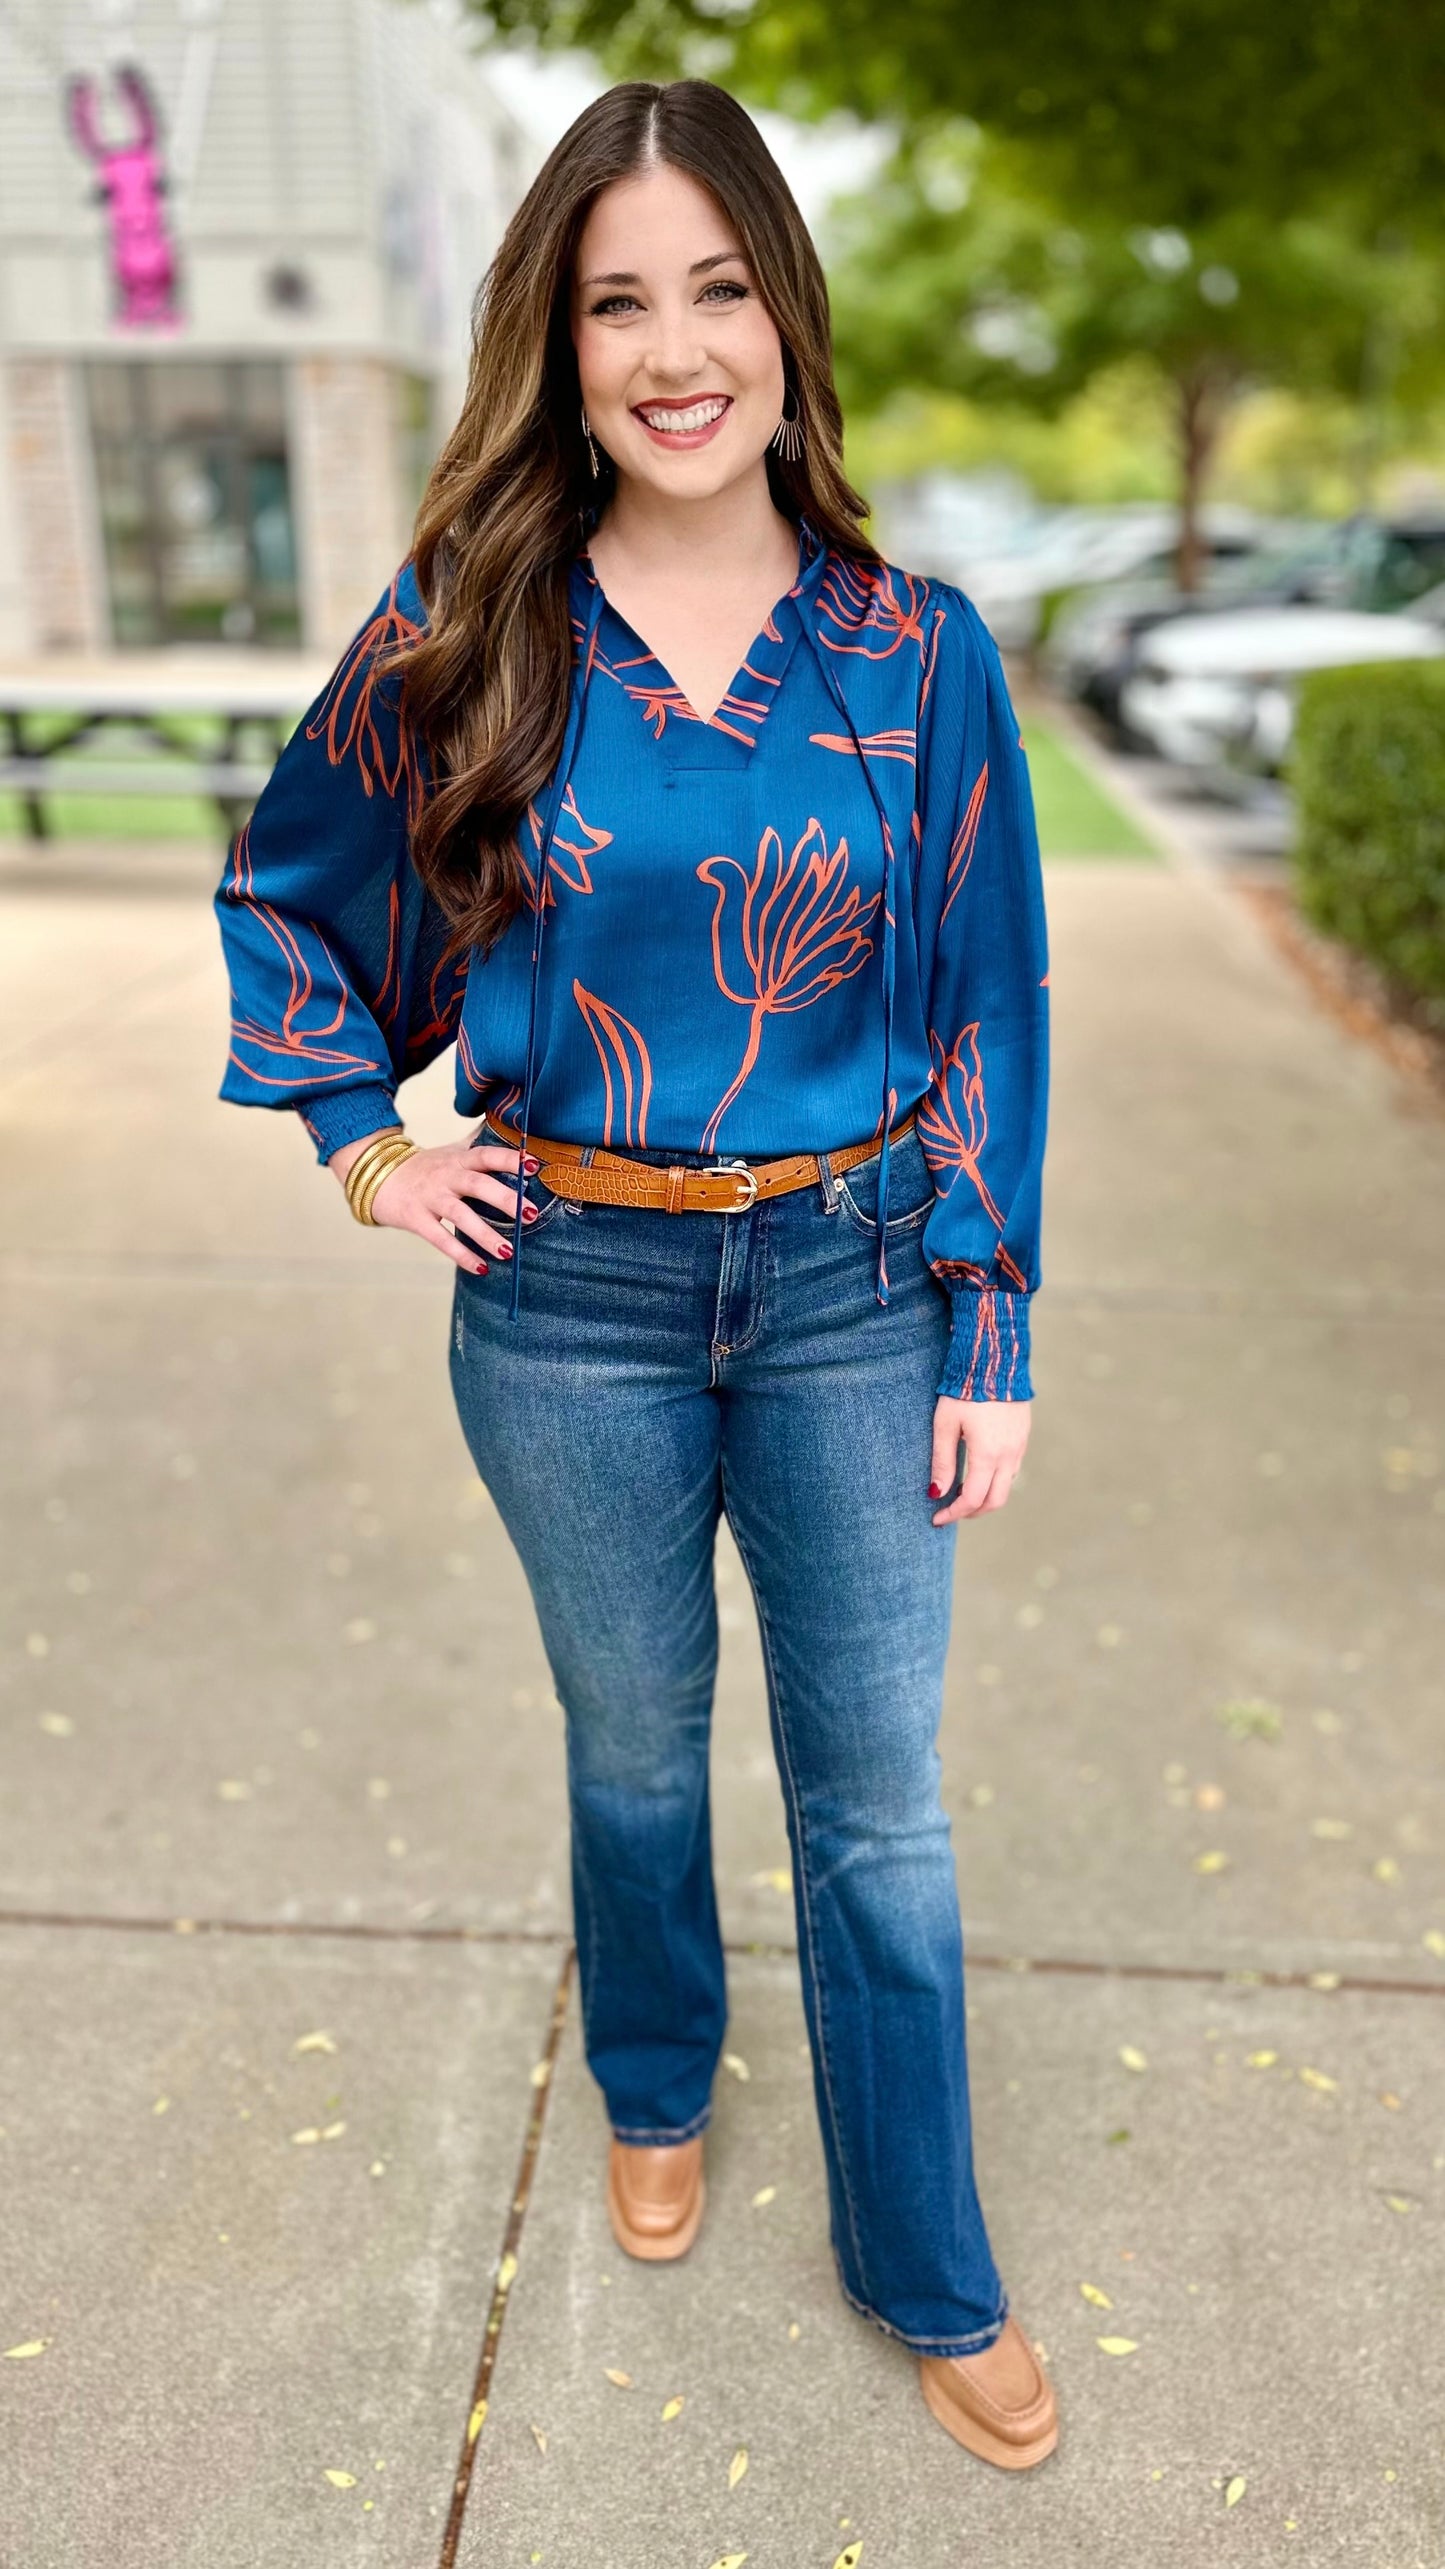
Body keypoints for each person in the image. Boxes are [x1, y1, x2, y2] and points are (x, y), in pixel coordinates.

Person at [214, 77, 1055, 2474]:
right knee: (629, 1741)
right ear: (559, 347)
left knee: (878, 1801)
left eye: (717, 290)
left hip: (864, 1286)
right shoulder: (471, 619)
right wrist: (360, 1149)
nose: (674, 349)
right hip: (566, 1300)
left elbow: (986, 991)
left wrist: (992, 1316)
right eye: (616, 303)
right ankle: (657, 2077)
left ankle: (929, 2257)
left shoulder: (917, 654)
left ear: (785, 320)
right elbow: (293, 887)